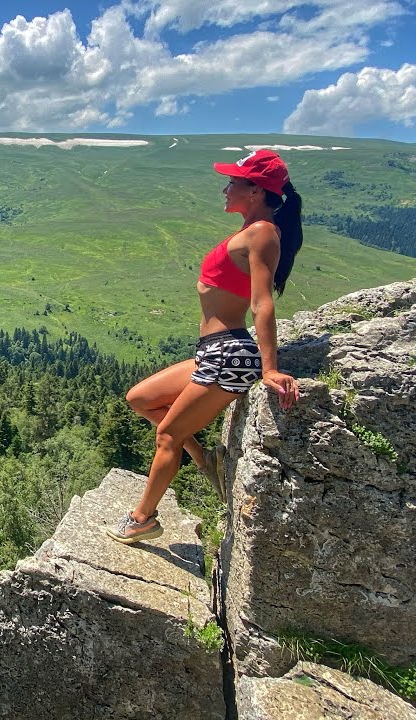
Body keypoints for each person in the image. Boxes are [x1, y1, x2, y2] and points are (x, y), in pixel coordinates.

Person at [106, 149, 303, 544]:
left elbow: (262, 302)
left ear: (256, 191)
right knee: (140, 399)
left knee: (167, 436)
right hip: (213, 350)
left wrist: (269, 369)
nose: (225, 188)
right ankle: (204, 459)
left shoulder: (263, 233)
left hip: (229, 353)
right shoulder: (251, 231)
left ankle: (142, 519)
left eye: (234, 182)